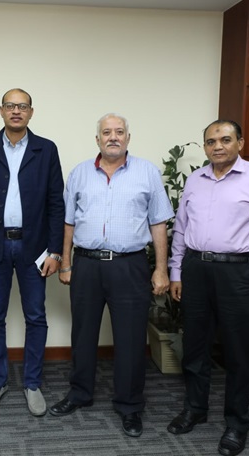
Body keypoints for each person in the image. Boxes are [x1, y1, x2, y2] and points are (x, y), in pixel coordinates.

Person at [166, 120, 249, 456]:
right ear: (205, 147)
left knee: (238, 351)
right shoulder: (195, 179)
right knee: (194, 346)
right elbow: (181, 229)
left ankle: (237, 423)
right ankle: (195, 408)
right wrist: (176, 272)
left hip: (241, 272)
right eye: (211, 141)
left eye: (225, 139)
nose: (218, 146)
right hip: (196, 269)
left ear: (240, 142)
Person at [49, 113, 174, 438]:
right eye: (107, 132)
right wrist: (66, 263)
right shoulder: (79, 173)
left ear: (128, 138)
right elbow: (68, 222)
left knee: (131, 339)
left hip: (129, 265)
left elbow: (158, 222)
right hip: (86, 265)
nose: (113, 137)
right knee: (83, 333)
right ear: (98, 139)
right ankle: (80, 393)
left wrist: (161, 269)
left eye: (119, 132)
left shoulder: (147, 172)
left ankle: (130, 406)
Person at [0, 88, 65, 416]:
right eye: (10, 105)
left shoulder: (46, 149)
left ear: (31, 112)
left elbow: (56, 203)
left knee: (36, 316)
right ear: (1, 111)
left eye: (22, 106)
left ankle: (32, 383)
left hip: (34, 247)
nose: (16, 111)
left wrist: (55, 252)